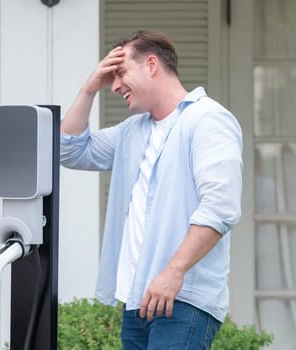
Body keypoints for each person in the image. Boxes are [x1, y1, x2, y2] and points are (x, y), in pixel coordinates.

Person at [60, 30, 242, 349]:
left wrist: (174, 272)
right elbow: (68, 150)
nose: (114, 86)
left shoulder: (208, 119)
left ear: (152, 64)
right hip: (138, 301)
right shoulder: (132, 131)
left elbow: (220, 208)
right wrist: (89, 88)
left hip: (183, 298)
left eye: (120, 74)